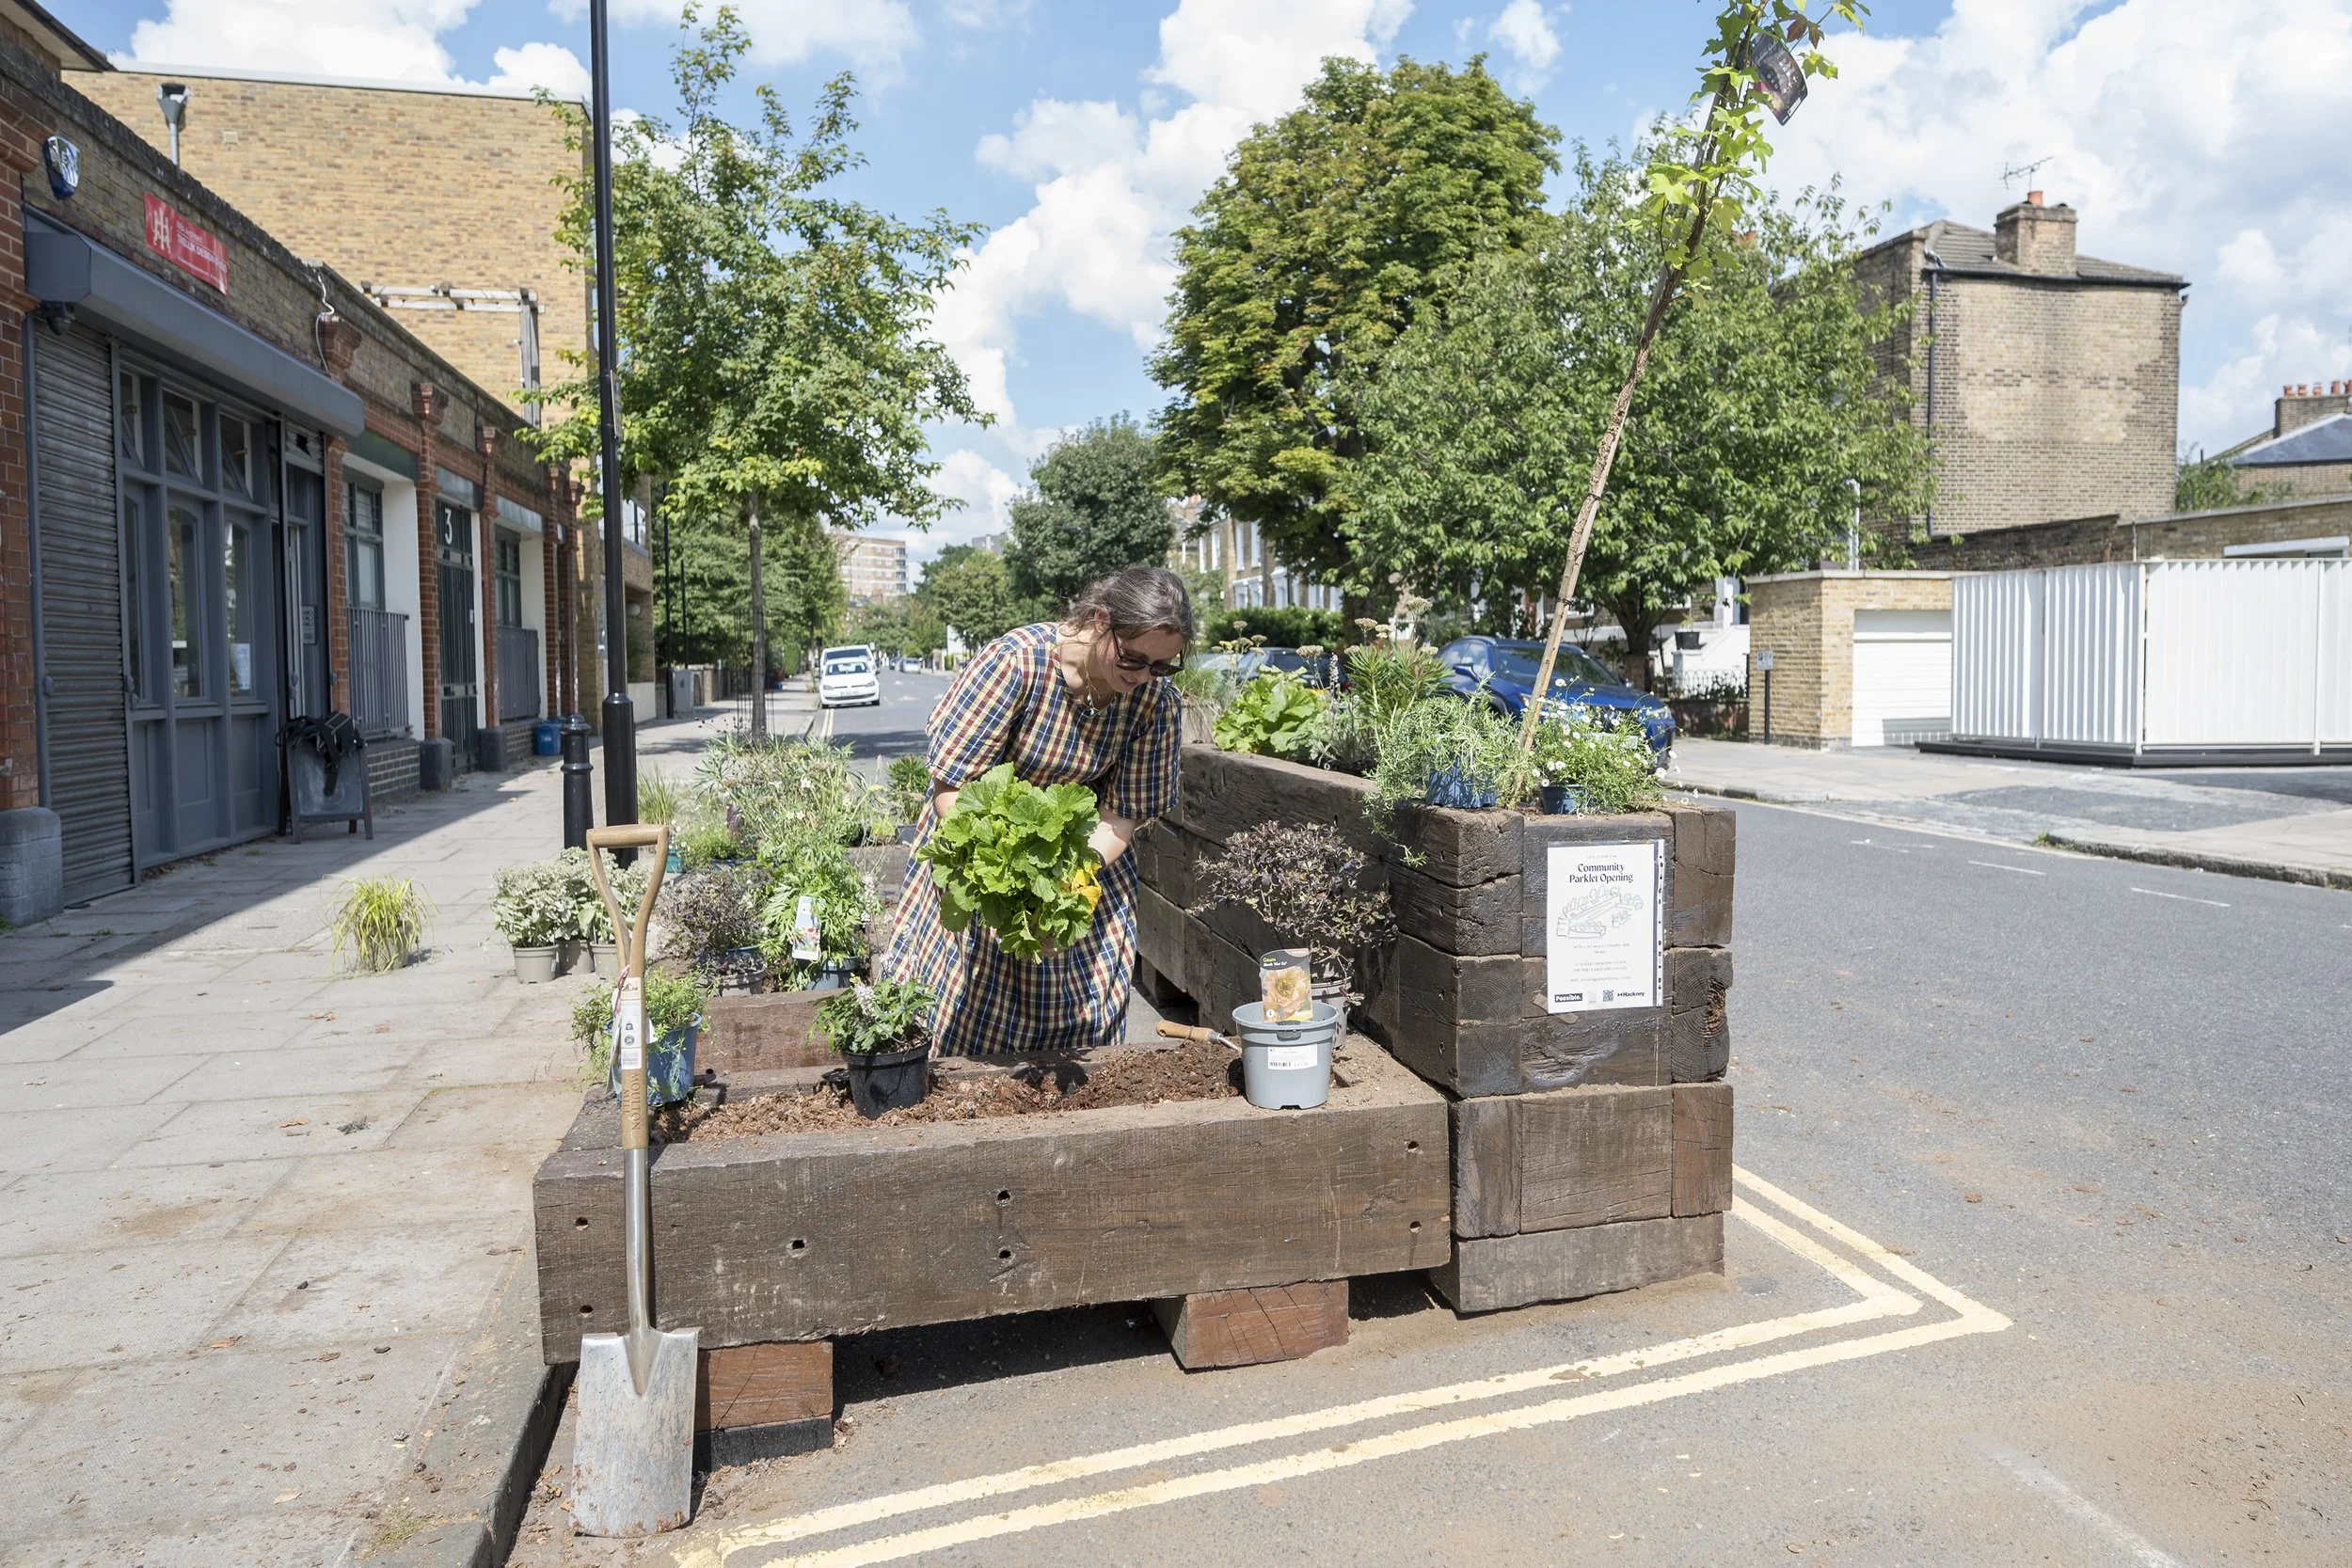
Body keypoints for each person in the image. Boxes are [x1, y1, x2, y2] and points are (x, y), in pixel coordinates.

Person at [885, 566, 1191, 1054]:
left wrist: (1064, 887)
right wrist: (1015, 888)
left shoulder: (1155, 702)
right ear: (1099, 620)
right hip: (982, 855)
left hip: (1083, 859)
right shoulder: (1017, 664)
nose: (1142, 678)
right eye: (1133, 659)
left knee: (1084, 1023)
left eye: (1162, 666)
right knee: (964, 1020)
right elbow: (953, 789)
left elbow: (1119, 819)